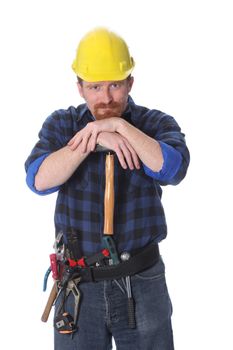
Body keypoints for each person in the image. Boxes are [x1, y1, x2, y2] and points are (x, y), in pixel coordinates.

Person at [25, 27, 190, 350]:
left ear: (130, 82)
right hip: (78, 286)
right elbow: (38, 180)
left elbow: (172, 169)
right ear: (80, 88)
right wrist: (94, 137)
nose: (106, 98)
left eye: (115, 85)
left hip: (142, 281)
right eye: (95, 87)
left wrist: (118, 126)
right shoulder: (61, 124)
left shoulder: (155, 123)